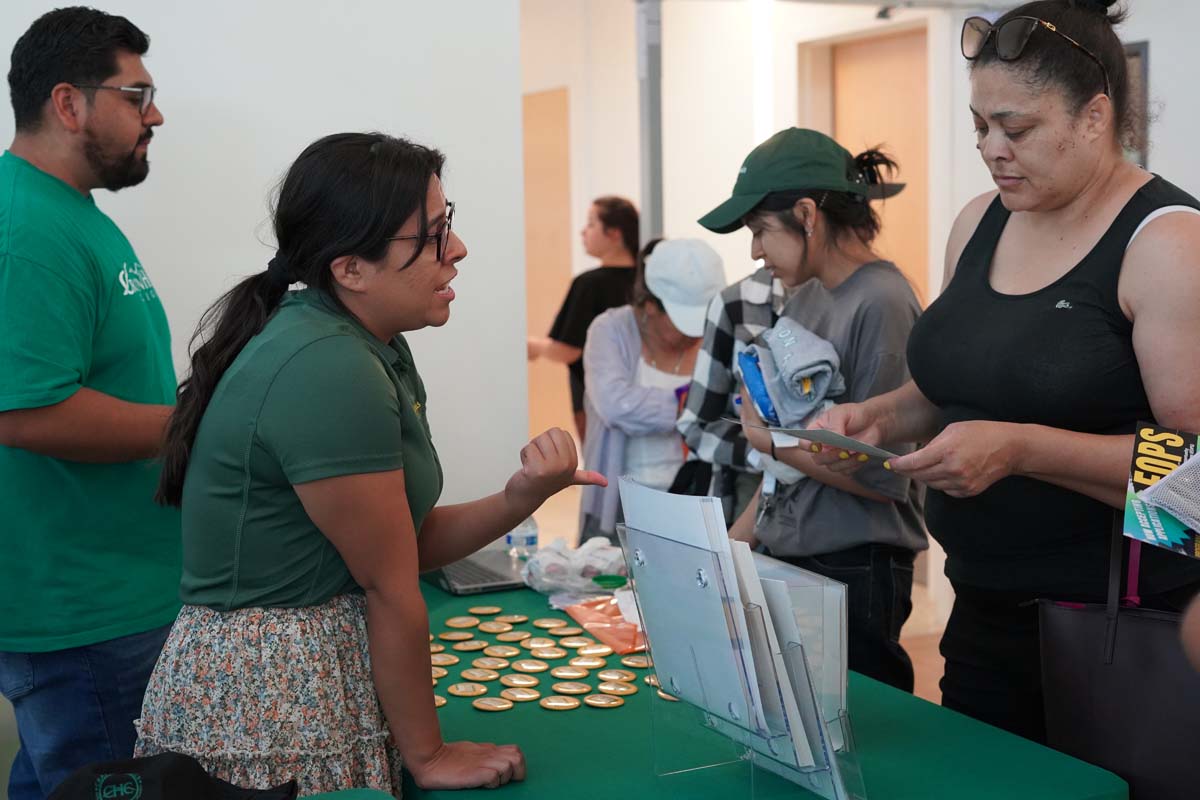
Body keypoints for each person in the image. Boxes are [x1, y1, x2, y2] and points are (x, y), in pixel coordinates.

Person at [133, 132, 606, 794]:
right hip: (275, 691)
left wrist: (522, 494)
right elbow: (388, 584)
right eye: (434, 236)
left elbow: (403, 544)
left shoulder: (364, 341)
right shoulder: (328, 364)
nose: (459, 250)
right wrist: (431, 755)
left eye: (450, 225)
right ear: (350, 268)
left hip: (316, 666)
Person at [813, 0, 1200, 741]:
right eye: (980, 126)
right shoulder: (980, 221)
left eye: (1016, 128)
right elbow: (950, 391)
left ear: (1094, 117)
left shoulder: (1167, 245)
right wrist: (874, 418)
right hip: (983, 606)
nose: (992, 149)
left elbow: (1195, 484)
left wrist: (1022, 450)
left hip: (1112, 630)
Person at [0, 9, 177, 799]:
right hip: (85, 616)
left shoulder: (71, 215)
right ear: (69, 104)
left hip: (112, 597)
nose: (156, 116)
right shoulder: (26, 229)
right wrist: (201, 427)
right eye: (137, 95)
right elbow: (25, 413)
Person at [698, 127, 926, 693]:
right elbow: (780, 464)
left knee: (861, 741)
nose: (754, 252)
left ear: (806, 214)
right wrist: (733, 545)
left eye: (759, 232)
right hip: (796, 552)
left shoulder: (882, 302)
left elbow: (884, 476)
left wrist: (770, 441)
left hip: (854, 565)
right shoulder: (806, 295)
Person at [579, 238, 727, 542]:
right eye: (684, 322)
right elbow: (615, 406)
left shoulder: (716, 334)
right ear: (649, 306)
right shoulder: (611, 330)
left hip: (696, 504)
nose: (695, 334)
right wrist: (698, 403)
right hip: (622, 506)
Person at [528, 196, 639, 442]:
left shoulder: (589, 284)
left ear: (614, 233)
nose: (583, 231)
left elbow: (567, 351)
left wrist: (533, 347)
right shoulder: (646, 281)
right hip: (641, 396)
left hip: (596, 404)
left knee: (604, 473)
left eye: (590, 224)